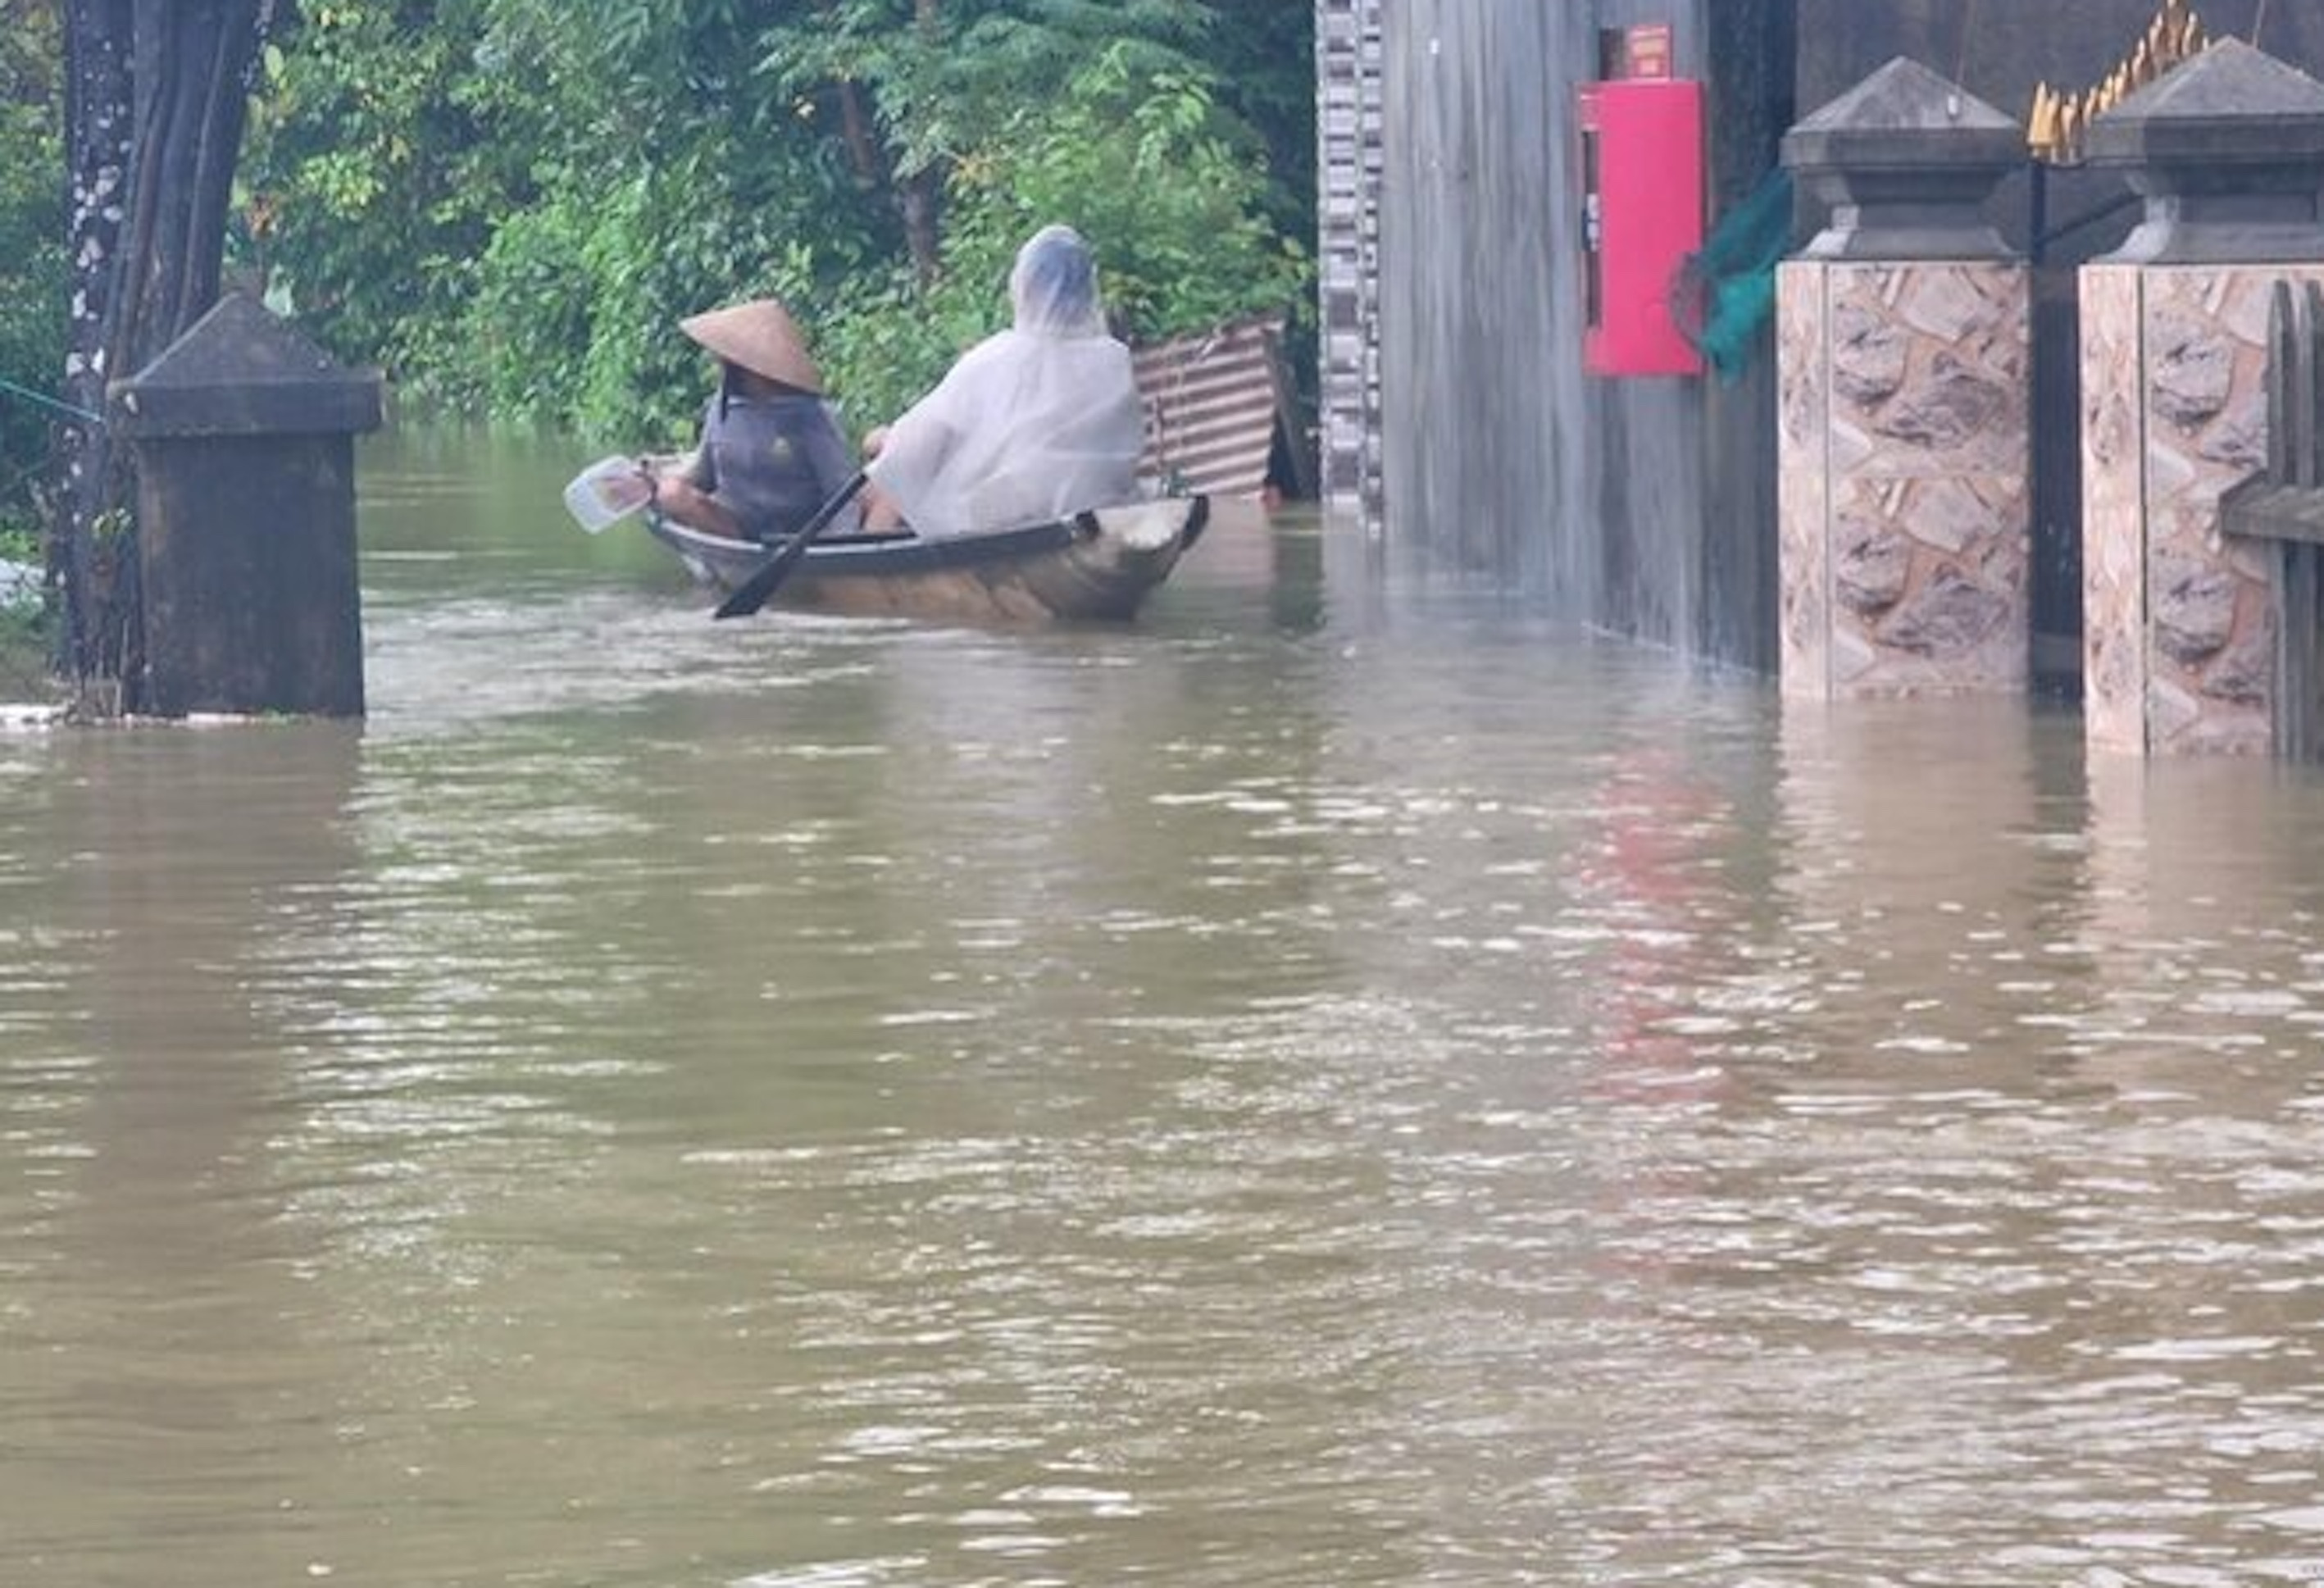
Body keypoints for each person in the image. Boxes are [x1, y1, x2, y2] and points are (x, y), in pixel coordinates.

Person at [863, 224, 1144, 537]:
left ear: (1023, 288)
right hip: (1097, 510)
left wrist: (882, 440)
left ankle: (866, 567)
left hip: (1009, 522)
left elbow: (911, 450)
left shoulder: (994, 358)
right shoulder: (1114, 360)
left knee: (889, 480)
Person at [640, 298, 860, 542]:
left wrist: (837, 544)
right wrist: (652, 483)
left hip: (796, 536)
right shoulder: (722, 406)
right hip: (735, 527)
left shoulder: (810, 414)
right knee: (671, 494)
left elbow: (842, 491)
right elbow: (703, 475)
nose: (719, 367)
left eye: (724, 362)